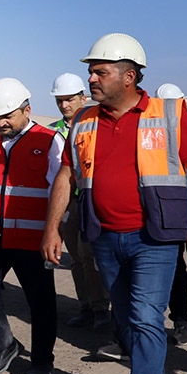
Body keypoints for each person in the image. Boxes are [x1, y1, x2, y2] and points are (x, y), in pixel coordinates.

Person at [42, 34, 187, 374]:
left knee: (146, 317)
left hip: (154, 238)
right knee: (126, 322)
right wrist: (51, 228)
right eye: (91, 72)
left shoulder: (168, 113)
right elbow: (67, 174)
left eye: (100, 72)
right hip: (104, 237)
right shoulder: (83, 119)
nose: (92, 79)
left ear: (130, 76)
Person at [0, 78, 64, 374]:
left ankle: (41, 360)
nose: (2, 122)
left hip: (32, 239)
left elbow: (61, 190)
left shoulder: (49, 140)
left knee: (40, 301)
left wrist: (55, 230)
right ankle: (5, 345)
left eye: (8, 115)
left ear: (27, 110)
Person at [50, 73, 111, 333]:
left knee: (89, 256)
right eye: (60, 100)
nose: (65, 105)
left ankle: (101, 309)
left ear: (82, 98)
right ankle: (85, 306)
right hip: (66, 203)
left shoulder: (94, 123)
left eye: (69, 99)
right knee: (75, 257)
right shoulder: (52, 130)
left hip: (89, 199)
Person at [155, 82, 187, 347]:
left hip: (180, 212)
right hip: (155, 212)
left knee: (176, 269)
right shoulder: (151, 131)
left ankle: (182, 320)